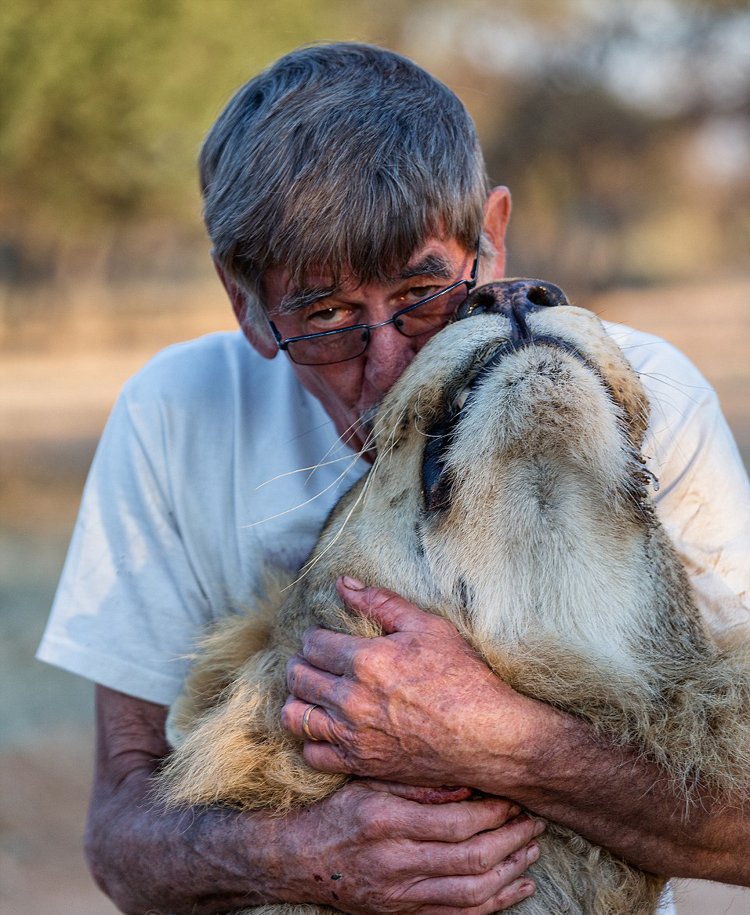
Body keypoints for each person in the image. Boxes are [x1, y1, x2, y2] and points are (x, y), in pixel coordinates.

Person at [38, 42, 750, 915]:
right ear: (245, 301)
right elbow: (118, 844)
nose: (387, 366)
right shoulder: (176, 410)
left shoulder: (638, 393)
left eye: (423, 293)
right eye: (327, 315)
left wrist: (500, 742)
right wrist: (290, 853)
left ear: (490, 235)